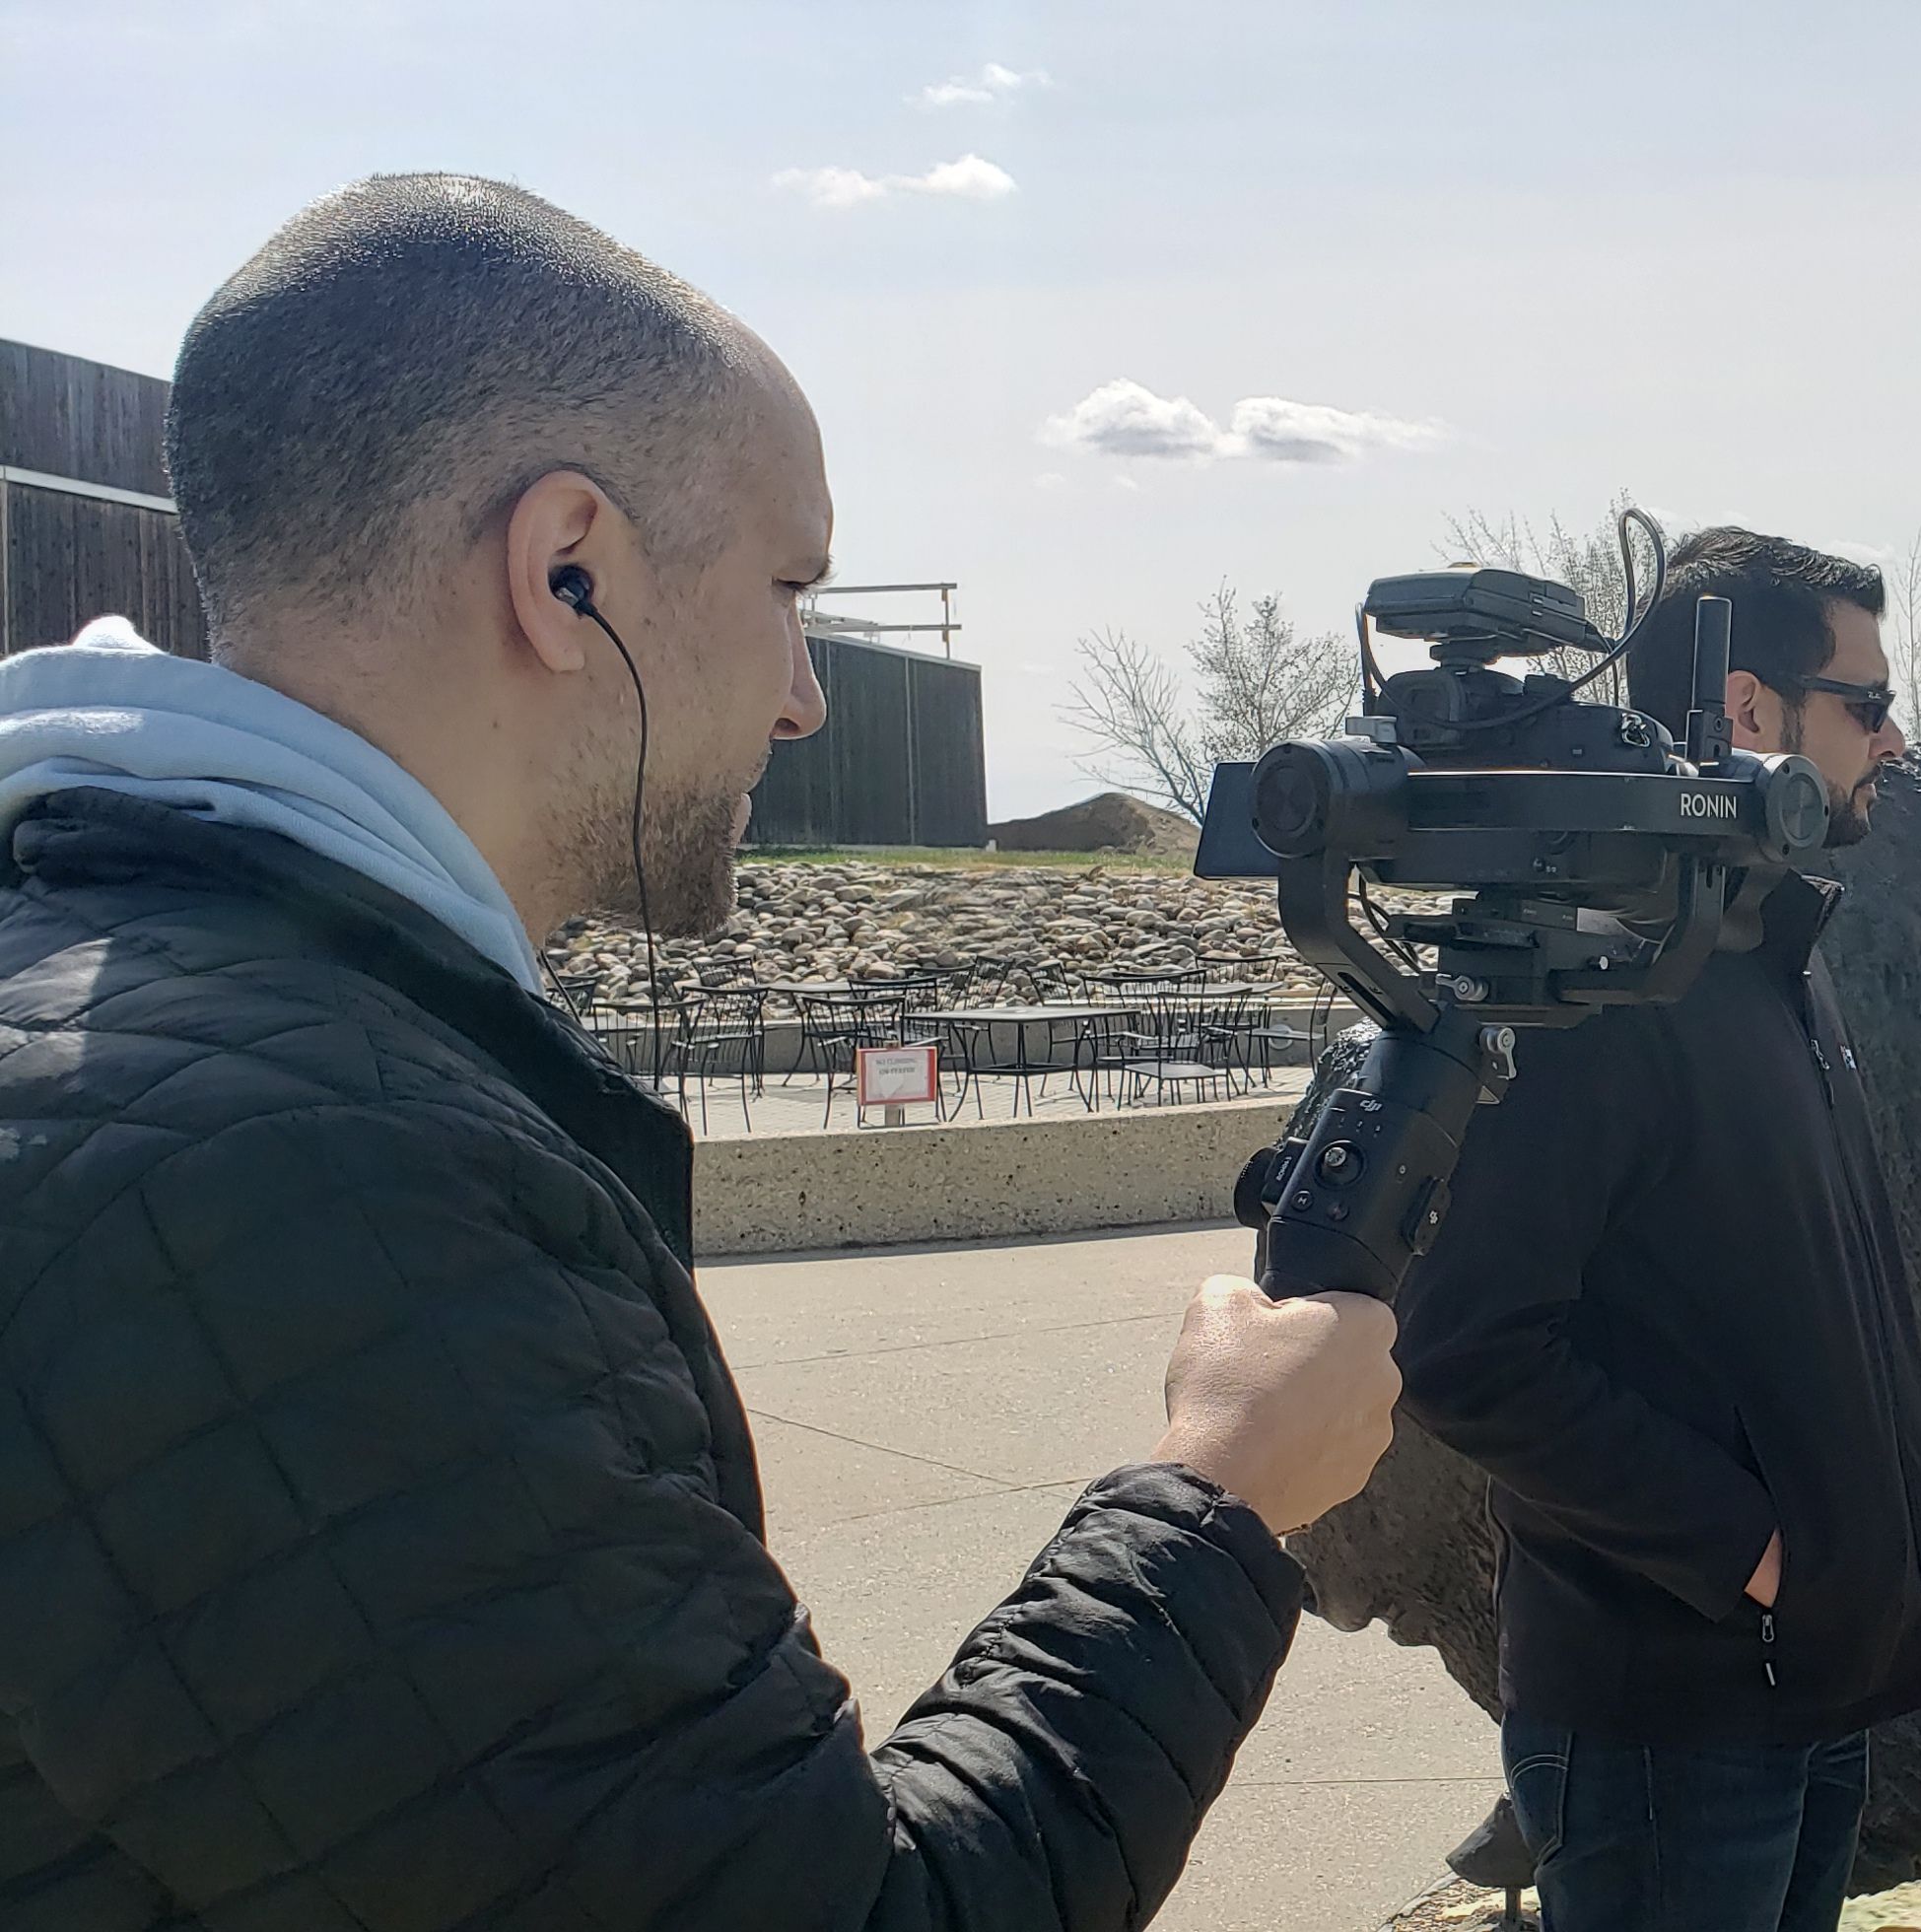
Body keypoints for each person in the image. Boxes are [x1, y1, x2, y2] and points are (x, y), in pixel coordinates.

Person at [0, 175, 1403, 1928]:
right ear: (565, 570)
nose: (805, 694)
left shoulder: (119, 1015)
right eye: (788, 587)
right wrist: (1219, 1493)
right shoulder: (297, 1195)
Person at [1393, 528, 1921, 1932]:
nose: (1893, 739)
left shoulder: (1764, 955)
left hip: (1799, 1686)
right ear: (1750, 708)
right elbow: (1466, 1351)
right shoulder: (1602, 984)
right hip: (1668, 1732)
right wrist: (1749, 1552)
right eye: (1869, 703)